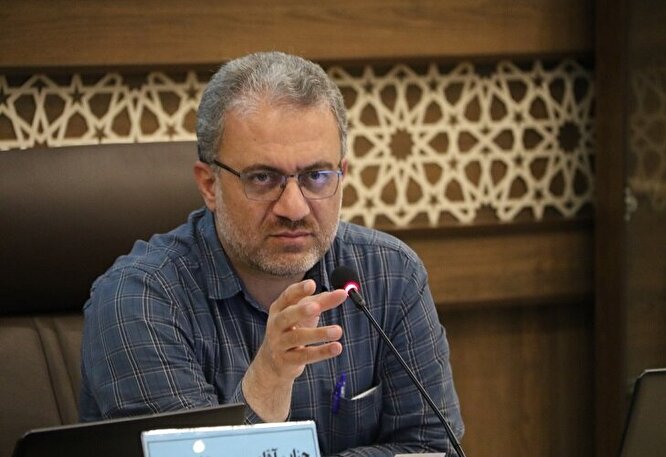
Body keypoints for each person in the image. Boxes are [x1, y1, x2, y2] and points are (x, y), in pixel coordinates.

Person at [79, 51, 464, 456]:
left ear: (342, 175)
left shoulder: (391, 274)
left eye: (316, 176)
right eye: (263, 178)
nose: (294, 208)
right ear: (209, 185)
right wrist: (270, 379)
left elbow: (433, 447)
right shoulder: (138, 300)